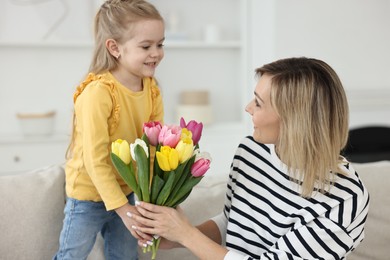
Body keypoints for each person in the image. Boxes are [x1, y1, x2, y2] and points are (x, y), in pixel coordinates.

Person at [130, 57, 370, 259]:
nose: (248, 107)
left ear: (294, 121)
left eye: (259, 103)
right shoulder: (251, 151)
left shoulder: (343, 201)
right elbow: (232, 224)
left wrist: (185, 234)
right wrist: (174, 237)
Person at [53, 0, 165, 259]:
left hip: (126, 191)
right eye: (146, 46)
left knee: (126, 256)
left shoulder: (152, 89)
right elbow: (96, 160)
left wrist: (147, 198)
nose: (156, 53)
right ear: (115, 48)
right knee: (72, 254)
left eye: (160, 44)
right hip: (88, 194)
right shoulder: (97, 93)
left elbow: (151, 147)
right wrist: (123, 210)